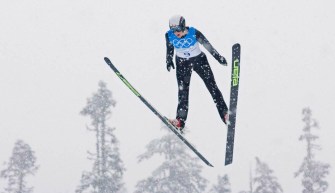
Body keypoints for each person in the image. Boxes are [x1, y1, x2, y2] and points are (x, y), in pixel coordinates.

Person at [166, 15, 229, 131]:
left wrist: (218, 58)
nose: (176, 33)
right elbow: (169, 48)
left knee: (212, 87)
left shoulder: (194, 33)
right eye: (173, 30)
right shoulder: (169, 35)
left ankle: (225, 114)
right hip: (181, 64)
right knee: (182, 92)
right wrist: (168, 60)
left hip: (199, 61)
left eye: (178, 29)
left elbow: (208, 46)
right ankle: (180, 121)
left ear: (183, 26)